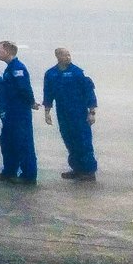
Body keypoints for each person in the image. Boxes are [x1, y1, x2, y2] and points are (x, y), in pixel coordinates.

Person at [42, 47, 98, 181]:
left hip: (79, 113)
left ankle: (89, 171)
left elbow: (89, 92)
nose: (68, 57)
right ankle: (77, 168)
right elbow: (48, 94)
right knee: (69, 140)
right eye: (65, 55)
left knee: (83, 141)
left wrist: (92, 112)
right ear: (57, 56)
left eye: (69, 55)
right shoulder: (51, 74)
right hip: (63, 113)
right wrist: (47, 112)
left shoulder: (78, 73)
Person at [0, 40, 37, 184]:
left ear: (8, 52)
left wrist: (31, 102)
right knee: (8, 141)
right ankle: (9, 172)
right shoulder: (9, 68)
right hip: (10, 111)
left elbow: (24, 88)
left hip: (19, 112)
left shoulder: (18, 68)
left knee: (23, 143)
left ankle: (28, 176)